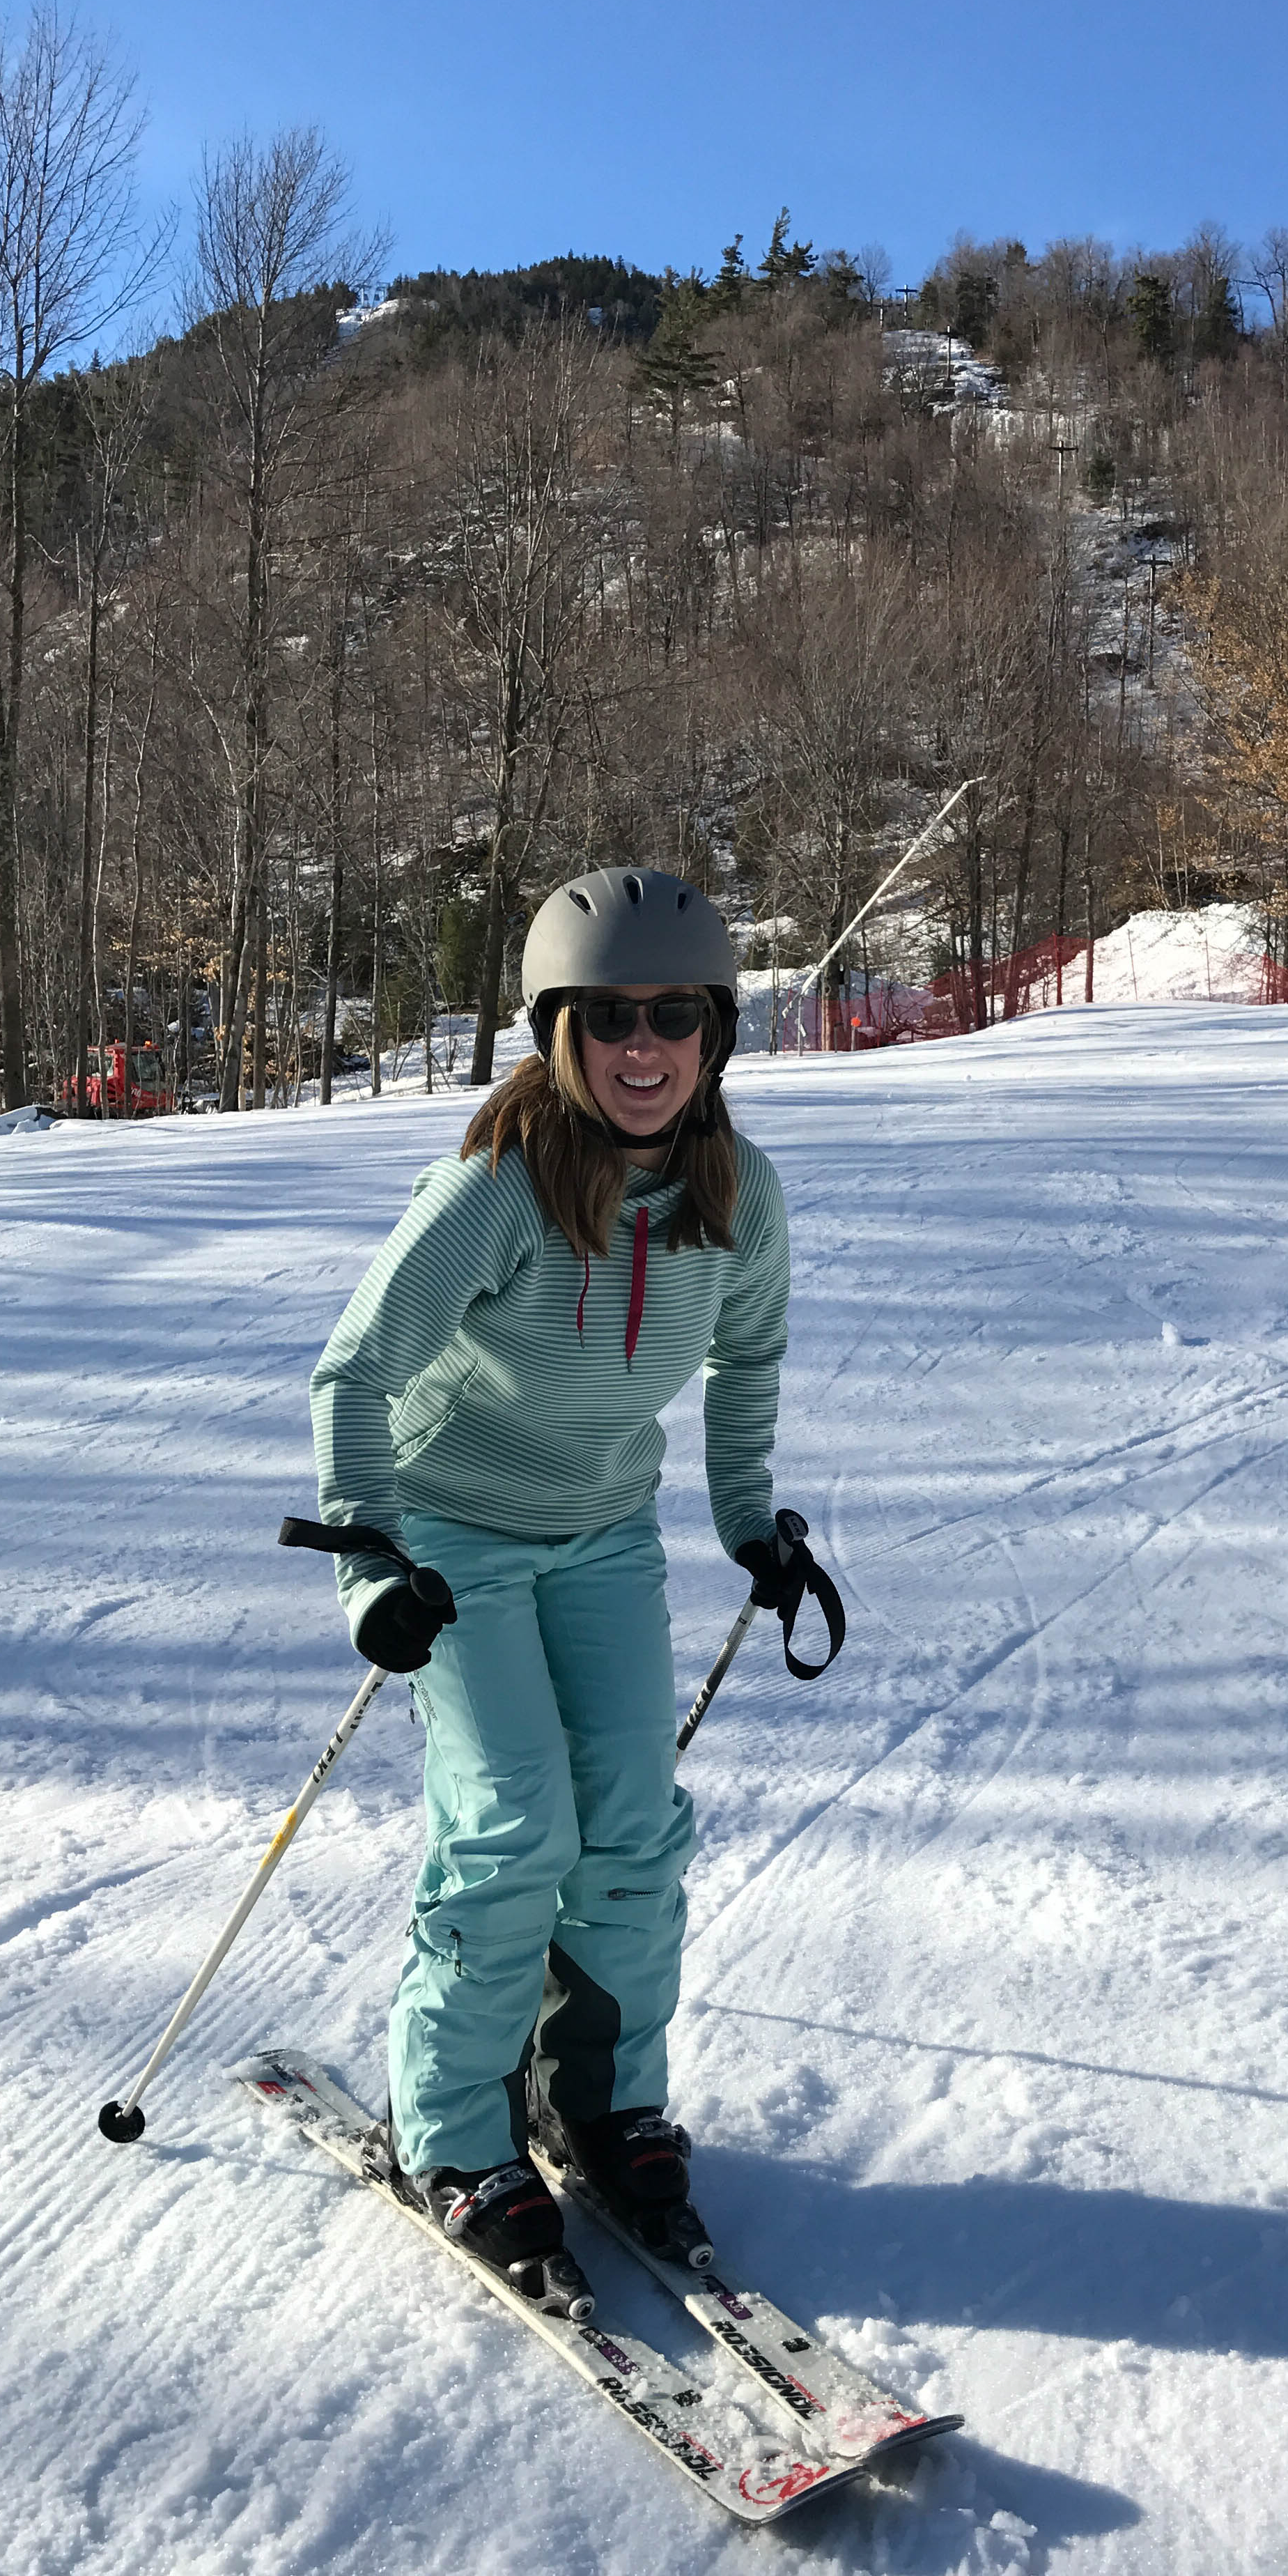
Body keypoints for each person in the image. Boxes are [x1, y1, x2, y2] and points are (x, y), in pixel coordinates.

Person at [309, 867, 830, 2311]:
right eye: (610, 1019)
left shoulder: (738, 1197)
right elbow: (356, 1373)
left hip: (601, 1539)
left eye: (675, 1015)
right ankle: (458, 2130)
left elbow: (749, 1367)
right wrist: (370, 1570)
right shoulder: (499, 1191)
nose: (644, 1045)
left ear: (718, 1032)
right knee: (512, 1825)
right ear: (559, 1034)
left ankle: (598, 2100)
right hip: (455, 1536)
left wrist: (749, 1528)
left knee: (631, 1829)